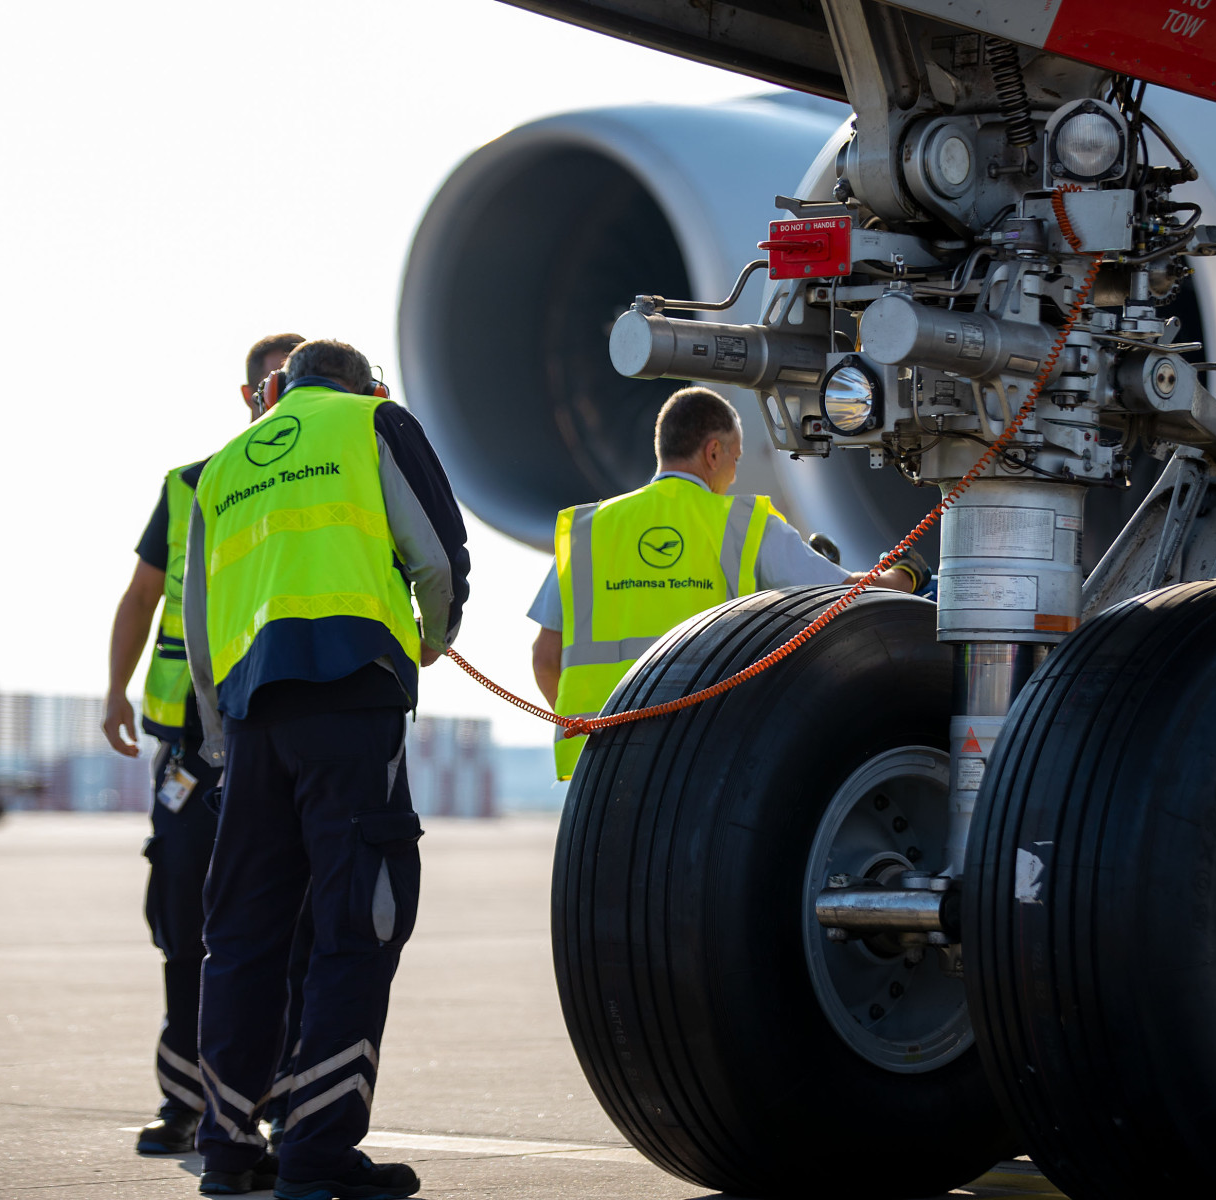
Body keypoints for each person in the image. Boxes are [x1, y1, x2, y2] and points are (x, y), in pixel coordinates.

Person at [183, 338, 469, 1199]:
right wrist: (432, 635)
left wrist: (220, 738)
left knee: (243, 936)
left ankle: (229, 1147)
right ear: (363, 383)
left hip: (250, 718)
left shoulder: (225, 465)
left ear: (277, 389)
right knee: (359, 924)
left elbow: (198, 620)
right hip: (350, 700)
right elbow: (439, 555)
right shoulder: (374, 421)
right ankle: (317, 1150)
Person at [101, 331, 305, 1156]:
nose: (280, 396)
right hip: (190, 745)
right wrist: (115, 688)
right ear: (248, 393)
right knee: (184, 924)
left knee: (288, 925)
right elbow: (143, 593)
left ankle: (287, 1101)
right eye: (270, 384)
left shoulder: (323, 474)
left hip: (275, 733)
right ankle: (185, 1099)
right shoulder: (190, 485)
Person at [529, 386, 927, 778]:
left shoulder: (589, 531)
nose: (734, 475)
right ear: (713, 452)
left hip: (600, 762)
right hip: (701, 757)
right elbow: (845, 596)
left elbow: (545, 658)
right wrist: (905, 574)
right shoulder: (743, 525)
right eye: (735, 459)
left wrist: (592, 731)